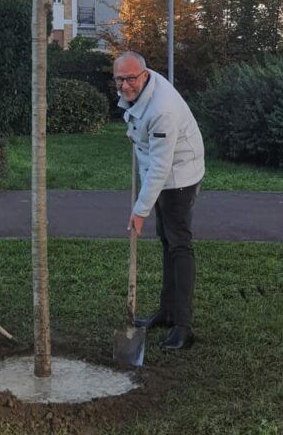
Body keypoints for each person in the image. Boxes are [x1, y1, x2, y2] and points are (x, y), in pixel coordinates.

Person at [114, 51, 205, 350]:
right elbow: (139, 120)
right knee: (166, 240)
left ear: (144, 75)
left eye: (130, 79)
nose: (125, 85)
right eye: (119, 79)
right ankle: (167, 312)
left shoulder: (162, 109)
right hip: (161, 170)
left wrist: (140, 211)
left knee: (179, 245)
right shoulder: (141, 89)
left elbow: (160, 169)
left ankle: (183, 327)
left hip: (179, 177)